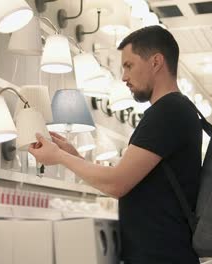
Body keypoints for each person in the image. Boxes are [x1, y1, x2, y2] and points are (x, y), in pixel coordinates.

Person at [29, 25, 202, 264]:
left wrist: (59, 156)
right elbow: (124, 181)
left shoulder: (168, 112)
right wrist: (75, 157)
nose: (123, 77)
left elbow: (116, 183)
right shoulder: (176, 110)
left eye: (129, 65)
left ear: (156, 62)